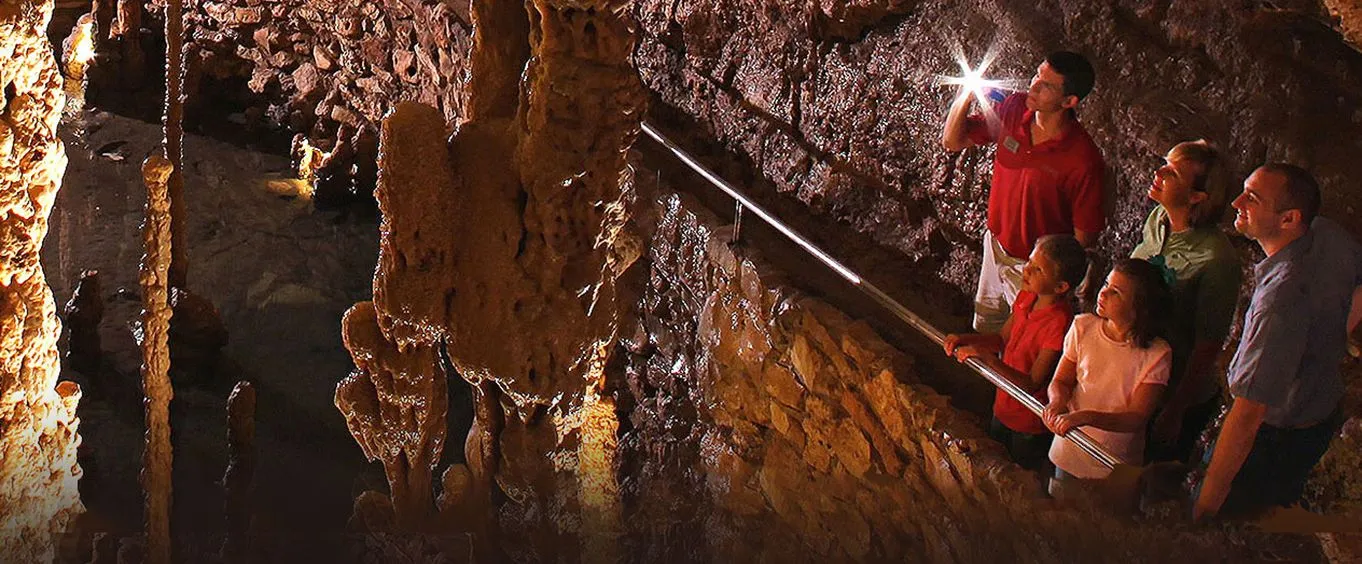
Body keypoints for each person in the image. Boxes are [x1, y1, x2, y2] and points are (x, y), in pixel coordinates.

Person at [1193, 164, 1362, 520]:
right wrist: (1337, 331)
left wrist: (1204, 508)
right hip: (1320, 412)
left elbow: (1247, 417)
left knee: (1235, 522)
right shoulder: (1329, 235)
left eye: (1252, 199)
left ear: (1289, 219)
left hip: (1276, 438)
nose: (1236, 201)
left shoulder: (1280, 301)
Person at [942, 51, 1106, 334]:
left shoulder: (1083, 160)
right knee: (985, 328)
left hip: (1035, 270)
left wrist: (1054, 289)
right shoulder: (1015, 108)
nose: (1033, 86)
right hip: (996, 249)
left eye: (1046, 85)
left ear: (1069, 102)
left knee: (1020, 346)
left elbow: (1082, 239)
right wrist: (965, 95)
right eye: (1036, 76)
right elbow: (953, 141)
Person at [1128, 140, 1242, 463]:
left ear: (1196, 197)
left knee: (1147, 476)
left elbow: (1207, 345)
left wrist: (1175, 410)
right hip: (1140, 374)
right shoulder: (1158, 219)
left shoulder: (1216, 259)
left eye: (1173, 172)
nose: (1159, 172)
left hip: (1175, 391)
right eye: (1165, 163)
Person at [943, 234, 1088, 470]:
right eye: (1029, 262)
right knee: (991, 461)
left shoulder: (1059, 324)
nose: (1027, 271)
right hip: (1003, 405)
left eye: (1038, 269)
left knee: (1019, 472)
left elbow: (1033, 383)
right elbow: (1002, 339)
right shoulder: (1027, 296)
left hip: (1028, 420)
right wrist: (964, 339)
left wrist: (989, 360)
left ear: (1061, 286)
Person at [1043, 258, 1173, 481]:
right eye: (1105, 285)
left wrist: (1087, 417)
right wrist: (1057, 402)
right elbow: (1061, 381)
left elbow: (1136, 418)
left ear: (1138, 308)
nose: (1102, 294)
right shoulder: (1082, 327)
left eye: (1116, 293)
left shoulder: (1157, 354)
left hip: (1114, 462)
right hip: (1070, 449)